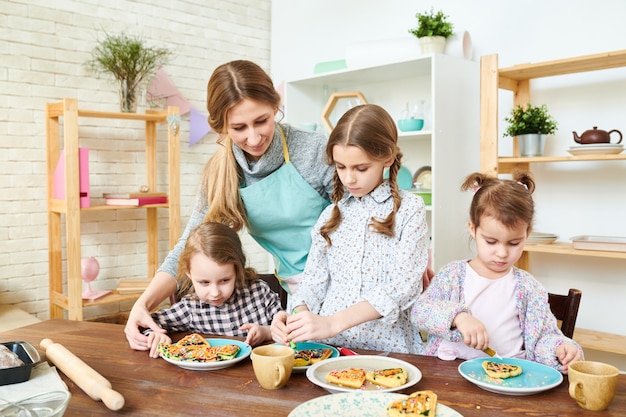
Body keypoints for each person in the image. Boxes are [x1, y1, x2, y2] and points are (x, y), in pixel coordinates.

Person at [125, 60, 335, 350]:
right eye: (238, 127)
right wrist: (143, 304)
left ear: (275, 106)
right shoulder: (220, 172)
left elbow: (365, 212)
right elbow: (187, 246)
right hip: (298, 289)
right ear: (220, 126)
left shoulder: (312, 150)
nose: (253, 137)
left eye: (262, 120)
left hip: (345, 277)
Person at [271, 104, 429, 354]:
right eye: (341, 167)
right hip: (329, 349)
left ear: (387, 157)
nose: (349, 179)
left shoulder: (410, 209)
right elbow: (312, 284)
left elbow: (404, 287)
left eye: (361, 168)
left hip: (388, 349)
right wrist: (298, 318)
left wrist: (332, 323)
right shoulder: (329, 216)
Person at [411, 170, 583, 373]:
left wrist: (561, 349)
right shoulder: (452, 275)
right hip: (450, 372)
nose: (502, 253)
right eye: (491, 241)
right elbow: (420, 312)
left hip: (509, 375)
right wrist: (459, 317)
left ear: (527, 233)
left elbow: (543, 338)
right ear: (473, 229)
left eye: (514, 243)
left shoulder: (528, 287)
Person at [143, 222, 282, 358]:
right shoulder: (190, 308)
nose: (215, 292)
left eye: (224, 280)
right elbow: (146, 323)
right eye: (204, 282)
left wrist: (266, 332)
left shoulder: (260, 293)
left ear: (237, 270)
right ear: (189, 274)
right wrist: (155, 334)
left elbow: (285, 328)